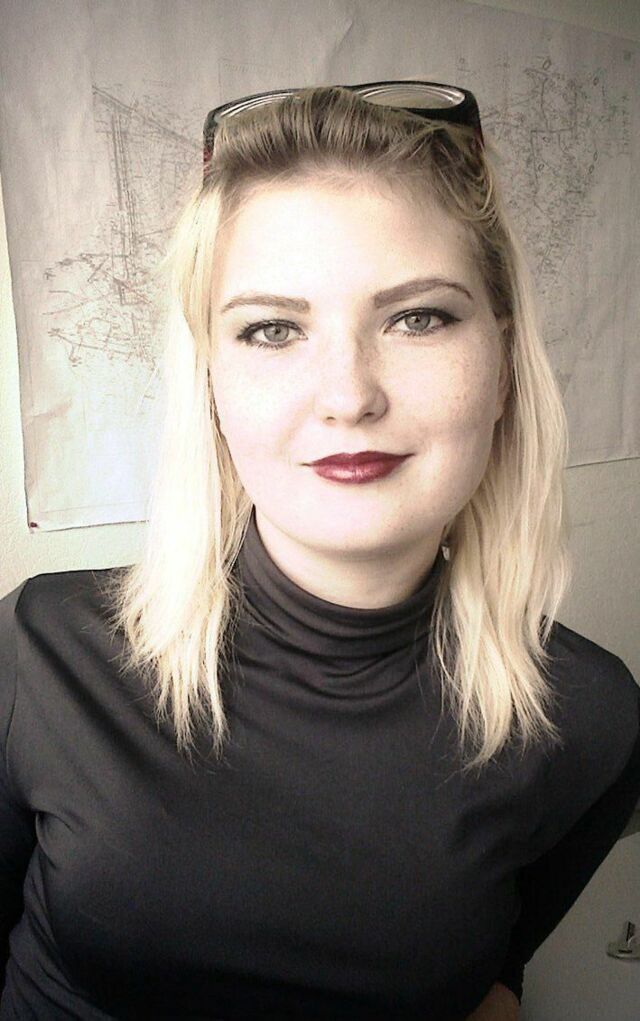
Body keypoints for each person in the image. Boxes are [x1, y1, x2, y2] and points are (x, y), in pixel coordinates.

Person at [1, 80, 639, 1021]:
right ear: (210, 383)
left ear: (503, 365)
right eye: (272, 329)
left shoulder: (587, 717)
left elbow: (493, 990)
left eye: (418, 317)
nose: (348, 395)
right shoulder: (40, 649)